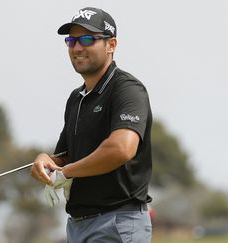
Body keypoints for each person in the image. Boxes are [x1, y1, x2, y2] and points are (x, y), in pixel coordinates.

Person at [30, 7, 153, 243]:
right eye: (72, 40)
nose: (77, 47)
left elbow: (121, 149)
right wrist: (46, 161)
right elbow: (66, 156)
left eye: (87, 39)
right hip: (77, 226)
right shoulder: (77, 98)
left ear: (111, 44)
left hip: (117, 221)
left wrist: (66, 172)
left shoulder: (127, 89)